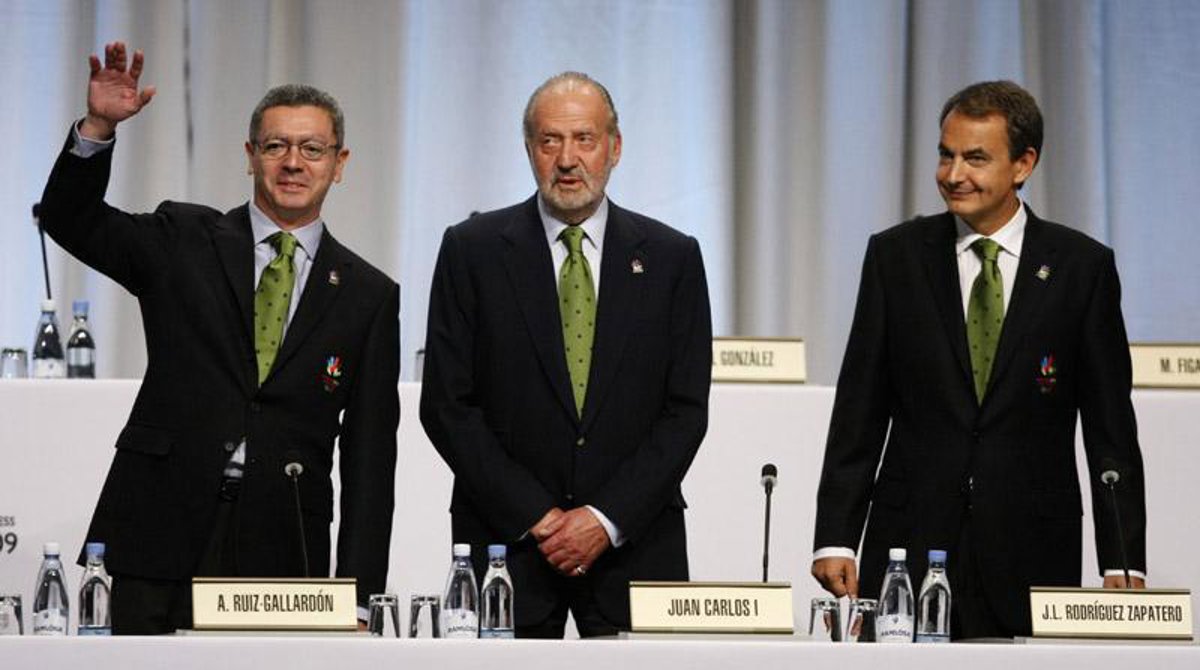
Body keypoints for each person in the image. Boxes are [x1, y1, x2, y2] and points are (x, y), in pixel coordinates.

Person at [38, 42, 399, 634]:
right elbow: (69, 219)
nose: (293, 162)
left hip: (284, 549)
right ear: (250, 156)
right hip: (158, 531)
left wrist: (358, 598)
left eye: (312, 149)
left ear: (340, 163)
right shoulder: (183, 239)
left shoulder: (369, 294)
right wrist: (98, 128)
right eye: (276, 146)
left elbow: (370, 460)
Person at [810, 80, 1146, 639]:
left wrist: (1123, 557)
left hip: (1032, 551)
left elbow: (1111, 429)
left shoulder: (1081, 268)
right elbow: (859, 411)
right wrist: (835, 537)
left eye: (975, 158)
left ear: (1023, 164)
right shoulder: (895, 257)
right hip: (909, 546)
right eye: (946, 155)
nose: (953, 174)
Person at [420, 72, 712, 638]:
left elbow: (685, 411)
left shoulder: (673, 258)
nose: (567, 159)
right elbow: (447, 405)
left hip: (634, 548)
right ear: (529, 149)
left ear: (615, 148)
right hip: (508, 548)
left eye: (585, 139)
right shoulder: (471, 251)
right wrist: (540, 517)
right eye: (550, 141)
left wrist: (604, 520)